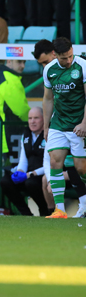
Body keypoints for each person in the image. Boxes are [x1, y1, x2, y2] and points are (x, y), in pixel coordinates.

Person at [41, 37, 86, 219]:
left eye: (70, 56)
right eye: (63, 58)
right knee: (55, 162)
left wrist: (84, 123)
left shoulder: (82, 66)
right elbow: (48, 98)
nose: (68, 61)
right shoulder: (49, 70)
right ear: (55, 54)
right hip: (58, 123)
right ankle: (60, 210)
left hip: (78, 124)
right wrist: (46, 126)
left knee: (81, 168)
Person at [2, 107, 50, 216]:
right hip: (29, 174)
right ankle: (26, 214)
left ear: (44, 119)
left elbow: (51, 164)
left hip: (42, 175)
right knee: (5, 181)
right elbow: (23, 160)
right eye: (30, 118)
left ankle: (44, 210)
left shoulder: (49, 135)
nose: (32, 121)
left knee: (31, 183)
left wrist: (30, 174)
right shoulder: (26, 134)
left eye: (36, 118)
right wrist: (20, 171)